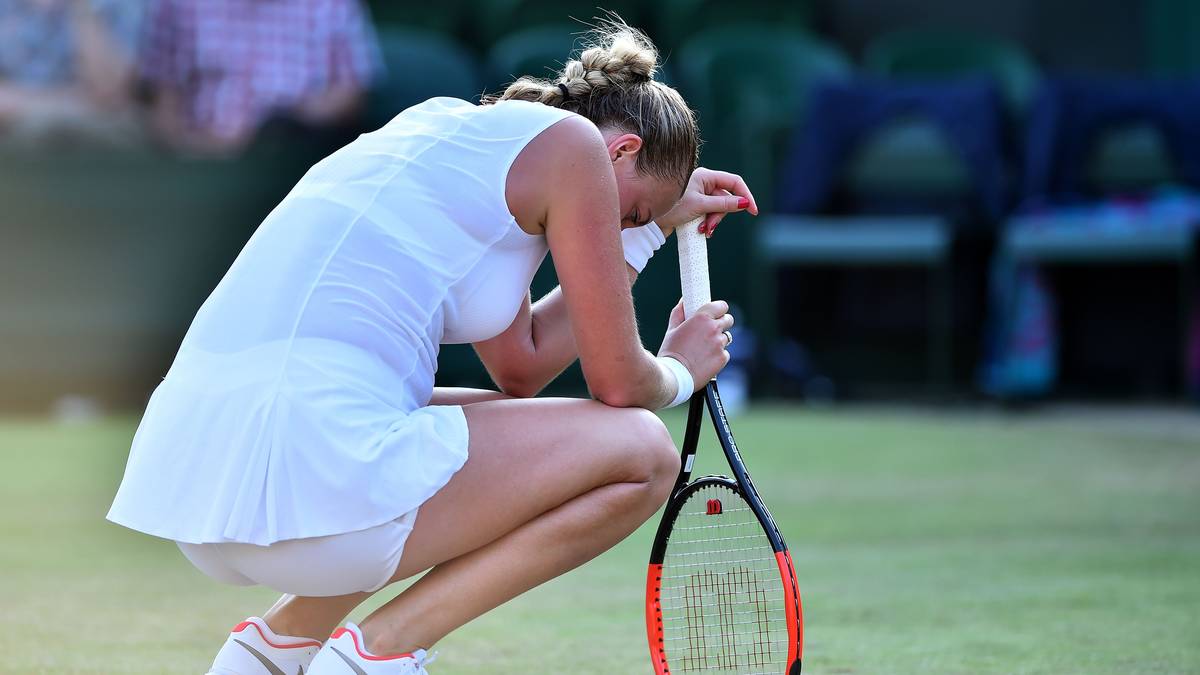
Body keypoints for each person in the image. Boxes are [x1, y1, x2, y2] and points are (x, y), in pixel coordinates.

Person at [107, 23, 757, 674]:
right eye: (634, 214)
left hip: (200, 484)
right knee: (642, 451)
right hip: (307, 467)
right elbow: (619, 383)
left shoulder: (453, 134)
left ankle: (274, 649)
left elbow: (522, 366)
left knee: (497, 422)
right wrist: (678, 368)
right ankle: (380, 652)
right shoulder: (576, 147)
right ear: (622, 149)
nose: (622, 229)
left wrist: (651, 230)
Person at [137, 0, 381, 155]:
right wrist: (189, 151)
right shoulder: (179, 5)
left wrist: (290, 121)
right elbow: (163, 97)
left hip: (289, 165)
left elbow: (351, 92)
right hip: (201, 161)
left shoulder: (332, 5)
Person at [0, 0, 143, 147]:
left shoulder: (122, 5)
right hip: (23, 128)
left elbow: (111, 95)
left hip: (95, 137)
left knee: (44, 128)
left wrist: (82, 9)